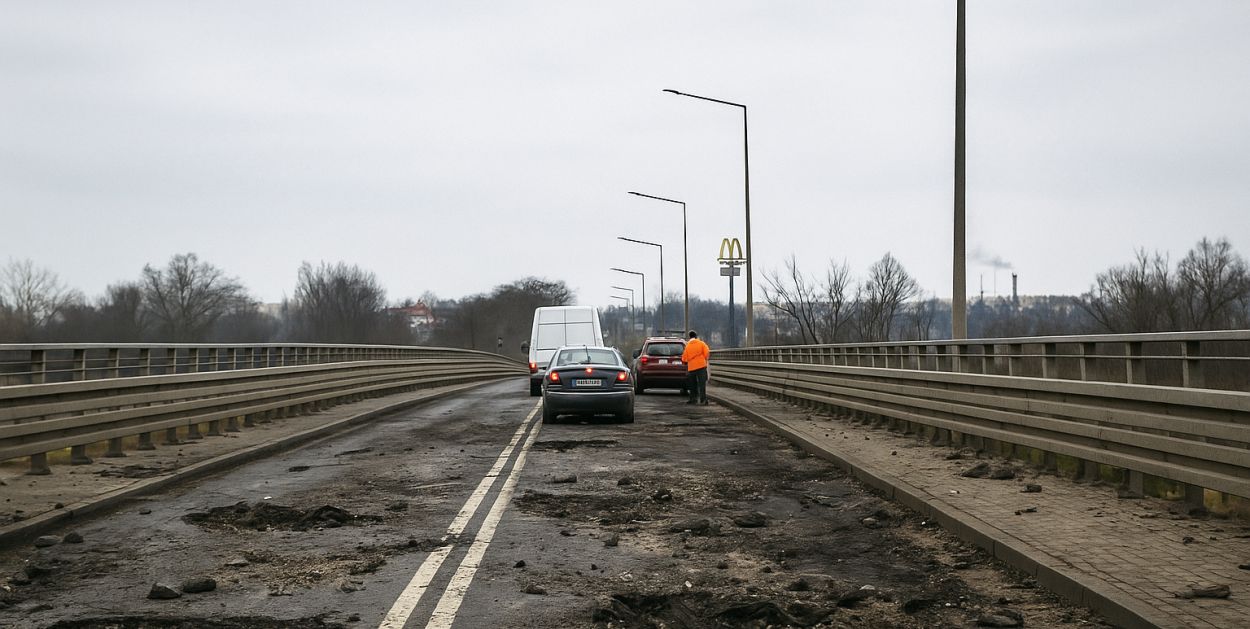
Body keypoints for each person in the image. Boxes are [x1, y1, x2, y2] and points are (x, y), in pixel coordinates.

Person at [681, 330, 710, 405]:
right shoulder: (701, 343)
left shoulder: (687, 346)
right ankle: (703, 400)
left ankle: (693, 399)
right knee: (702, 384)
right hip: (701, 366)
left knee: (693, 385)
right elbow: (707, 352)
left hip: (692, 368)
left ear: (689, 337)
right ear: (696, 336)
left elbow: (684, 358)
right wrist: (703, 359)